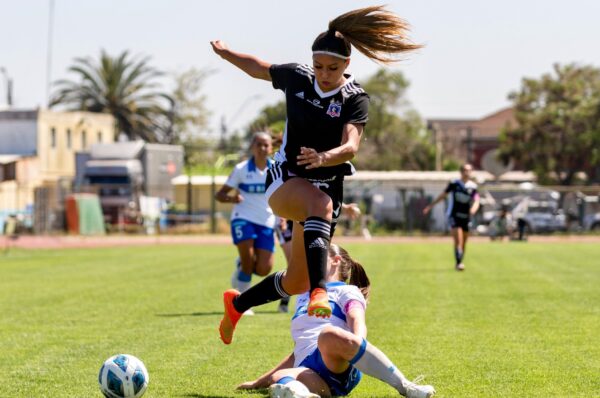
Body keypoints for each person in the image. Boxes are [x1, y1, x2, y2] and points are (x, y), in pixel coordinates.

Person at [211, 5, 421, 343]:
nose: (324, 73)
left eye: (332, 68)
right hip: (286, 180)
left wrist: (324, 158)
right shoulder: (297, 76)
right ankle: (320, 292)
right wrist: (226, 54)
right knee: (319, 209)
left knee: (296, 281)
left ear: (347, 65)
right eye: (319, 66)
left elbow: (351, 146)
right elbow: (259, 68)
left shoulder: (355, 98)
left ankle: (237, 305)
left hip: (327, 184)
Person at [236, 244, 436, 398]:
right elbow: (297, 350)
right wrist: (257, 382)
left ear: (335, 260)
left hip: (338, 361)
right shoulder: (304, 296)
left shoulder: (347, 290)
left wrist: (357, 346)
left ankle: (406, 387)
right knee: (278, 379)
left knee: (327, 335)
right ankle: (301, 393)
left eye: (315, 259)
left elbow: (357, 319)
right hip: (312, 371)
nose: (309, 264)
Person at [215, 132, 282, 315]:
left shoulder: (277, 168)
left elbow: (283, 195)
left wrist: (282, 217)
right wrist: (232, 198)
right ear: (252, 147)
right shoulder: (241, 169)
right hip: (242, 218)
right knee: (247, 261)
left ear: (271, 148)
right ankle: (243, 305)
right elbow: (219, 195)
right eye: (258, 144)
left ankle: (241, 267)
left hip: (266, 222)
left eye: (266, 145)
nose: (262, 148)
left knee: (263, 269)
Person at [423, 163, 480, 271]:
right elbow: (443, 195)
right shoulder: (454, 184)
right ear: (461, 172)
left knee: (464, 242)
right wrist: (430, 206)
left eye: (469, 170)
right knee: (458, 239)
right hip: (454, 215)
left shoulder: (473, 186)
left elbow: (477, 199)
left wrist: (474, 208)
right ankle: (459, 263)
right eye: (464, 170)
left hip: (466, 217)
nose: (466, 172)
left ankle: (459, 261)